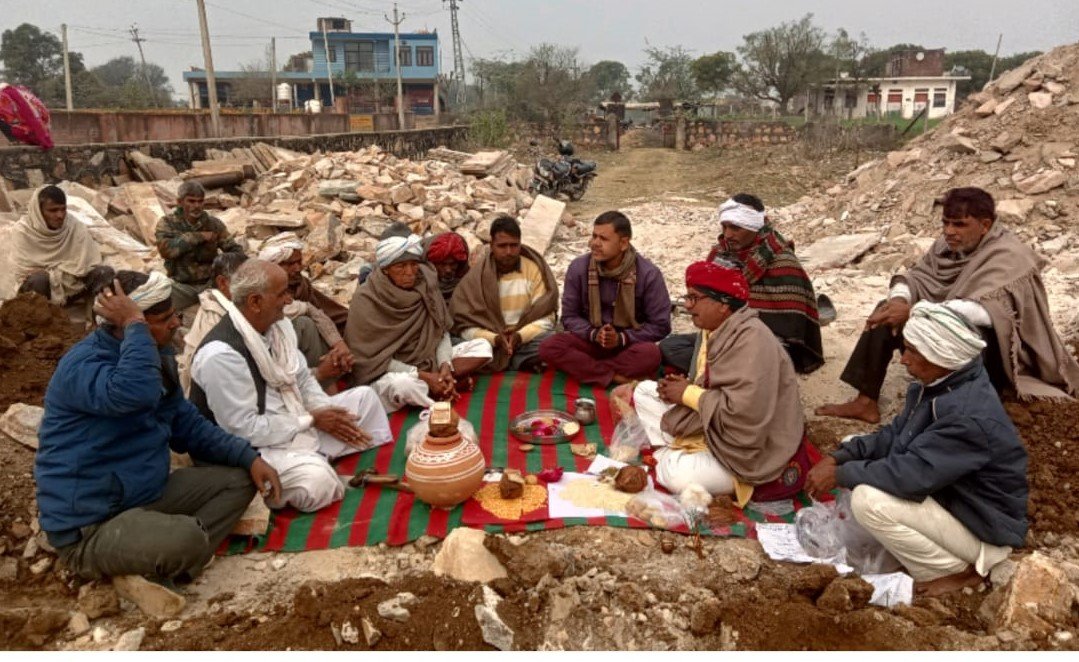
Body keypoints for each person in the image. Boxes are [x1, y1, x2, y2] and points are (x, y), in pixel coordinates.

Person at [34, 270, 280, 614]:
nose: (176, 325)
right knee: (189, 537)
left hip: (143, 495)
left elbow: (185, 422)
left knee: (238, 479)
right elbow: (132, 394)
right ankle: (151, 557)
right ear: (125, 327)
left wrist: (248, 457)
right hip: (91, 524)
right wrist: (136, 322)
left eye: (174, 315)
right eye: (163, 320)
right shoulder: (84, 365)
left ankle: (159, 562)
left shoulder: (153, 358)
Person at [806, 301, 1028, 597]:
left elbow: (909, 476)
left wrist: (841, 474)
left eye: (912, 351)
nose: (903, 360)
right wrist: (838, 458)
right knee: (852, 449)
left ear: (940, 357)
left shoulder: (966, 417)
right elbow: (894, 436)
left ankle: (952, 571)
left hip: (984, 529)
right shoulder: (941, 384)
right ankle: (923, 552)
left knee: (867, 500)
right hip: (955, 501)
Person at [817, 187, 1079, 423]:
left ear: (985, 225)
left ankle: (962, 406)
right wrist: (899, 301)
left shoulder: (1009, 255)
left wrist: (917, 312)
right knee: (885, 310)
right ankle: (866, 401)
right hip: (942, 318)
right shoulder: (947, 245)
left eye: (959, 224)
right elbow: (917, 276)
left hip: (994, 348)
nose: (949, 231)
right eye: (945, 223)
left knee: (965, 332)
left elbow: (986, 313)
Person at [190, 260, 393, 513]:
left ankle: (310, 455)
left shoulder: (280, 326)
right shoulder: (221, 355)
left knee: (365, 400)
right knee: (318, 484)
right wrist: (310, 421)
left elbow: (302, 379)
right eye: (282, 293)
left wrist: (323, 412)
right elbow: (243, 429)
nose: (289, 300)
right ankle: (304, 466)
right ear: (255, 302)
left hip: (293, 419)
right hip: (251, 449)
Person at [620, 261, 810, 502]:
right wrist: (685, 387)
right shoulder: (715, 329)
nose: (688, 306)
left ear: (723, 305)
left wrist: (688, 394)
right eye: (687, 297)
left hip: (746, 449)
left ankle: (671, 454)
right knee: (645, 392)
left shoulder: (753, 341)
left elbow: (745, 413)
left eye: (694, 298)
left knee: (677, 476)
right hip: (713, 425)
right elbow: (713, 384)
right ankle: (677, 449)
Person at [659, 194, 823, 375]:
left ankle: (726, 372)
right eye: (725, 227)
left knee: (758, 361)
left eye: (735, 228)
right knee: (671, 346)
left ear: (754, 227)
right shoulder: (720, 254)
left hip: (762, 344)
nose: (727, 234)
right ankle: (723, 369)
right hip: (721, 335)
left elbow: (790, 329)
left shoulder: (782, 262)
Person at [345, 233, 492, 412]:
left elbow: (441, 331)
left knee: (483, 346)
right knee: (403, 385)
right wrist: (422, 376)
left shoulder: (425, 285)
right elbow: (371, 358)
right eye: (401, 266)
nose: (409, 272)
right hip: (391, 370)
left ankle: (442, 381)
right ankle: (438, 387)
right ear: (385, 269)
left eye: (414, 265)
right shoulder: (366, 299)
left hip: (429, 359)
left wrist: (445, 365)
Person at [538, 211, 671, 386]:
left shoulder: (648, 274)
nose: (594, 243)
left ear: (623, 243)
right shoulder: (579, 268)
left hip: (627, 345)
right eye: (594, 236)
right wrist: (594, 334)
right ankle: (615, 377)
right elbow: (569, 317)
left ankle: (589, 370)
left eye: (603, 239)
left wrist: (622, 338)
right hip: (589, 341)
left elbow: (661, 325)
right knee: (549, 346)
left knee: (650, 354)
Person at [450, 215, 558, 373]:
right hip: (490, 343)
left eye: (514, 245)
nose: (509, 252)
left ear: (520, 244)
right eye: (502, 246)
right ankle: (519, 363)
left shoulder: (533, 270)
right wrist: (495, 339)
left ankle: (514, 361)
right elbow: (463, 325)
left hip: (524, 341)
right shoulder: (476, 278)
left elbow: (547, 317)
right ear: (492, 245)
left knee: (555, 341)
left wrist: (519, 336)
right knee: (454, 342)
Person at [256, 232, 353, 380]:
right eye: (290, 264)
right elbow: (307, 310)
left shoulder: (301, 285)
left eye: (299, 262)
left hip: (316, 345)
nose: (297, 268)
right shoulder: (262, 293)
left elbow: (324, 313)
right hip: (278, 355)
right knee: (305, 324)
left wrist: (339, 344)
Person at [1, 185, 107, 304]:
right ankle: (42, 321)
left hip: (73, 286)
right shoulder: (23, 231)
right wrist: (61, 272)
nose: (60, 216)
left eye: (63, 209)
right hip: (43, 290)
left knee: (104, 273)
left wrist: (59, 272)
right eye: (53, 210)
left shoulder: (73, 225)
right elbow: (23, 272)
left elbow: (89, 263)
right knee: (39, 280)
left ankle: (100, 320)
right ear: (39, 211)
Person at [155, 181, 245, 312]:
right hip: (182, 286)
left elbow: (235, 250)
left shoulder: (213, 224)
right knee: (156, 307)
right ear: (180, 202)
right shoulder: (167, 223)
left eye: (200, 201)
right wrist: (198, 236)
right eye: (191, 201)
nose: (196, 206)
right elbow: (167, 251)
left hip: (211, 284)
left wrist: (228, 269)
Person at [178, 252, 248, 394]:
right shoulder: (213, 321)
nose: (252, 286)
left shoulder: (233, 307)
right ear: (222, 282)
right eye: (245, 280)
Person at [425, 231, 471, 303]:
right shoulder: (421, 281)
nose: (448, 270)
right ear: (432, 263)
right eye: (443, 264)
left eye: (452, 264)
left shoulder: (469, 281)